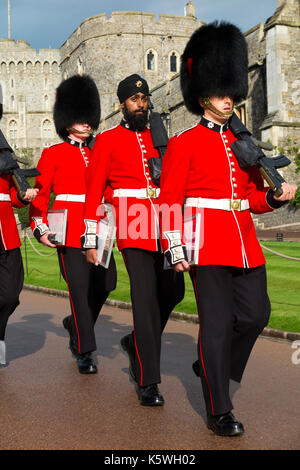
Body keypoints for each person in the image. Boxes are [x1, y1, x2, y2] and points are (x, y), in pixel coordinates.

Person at [158, 22, 297, 436]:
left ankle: (209, 366)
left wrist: (273, 198)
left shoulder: (243, 142)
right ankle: (219, 408)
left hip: (243, 241)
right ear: (202, 97)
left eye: (231, 93)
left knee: (256, 315)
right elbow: (169, 201)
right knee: (215, 326)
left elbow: (251, 197)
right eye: (221, 93)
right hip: (204, 242)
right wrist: (175, 246)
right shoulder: (184, 143)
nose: (229, 99)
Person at [82, 74, 184, 405]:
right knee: (144, 297)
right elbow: (93, 190)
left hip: (165, 219)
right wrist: (91, 238)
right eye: (133, 100)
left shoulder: (160, 136)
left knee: (174, 291)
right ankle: (147, 380)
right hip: (131, 223)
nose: (140, 105)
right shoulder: (108, 140)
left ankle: (136, 342)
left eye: (144, 99)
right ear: (122, 105)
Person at [30, 75, 116, 374]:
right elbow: (41, 194)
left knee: (107, 283)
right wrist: (40, 227)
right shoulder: (53, 153)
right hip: (67, 228)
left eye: (88, 117)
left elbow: (108, 188)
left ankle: (76, 325)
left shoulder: (99, 150)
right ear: (67, 120)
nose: (86, 123)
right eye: (79, 117)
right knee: (79, 289)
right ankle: (85, 350)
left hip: (98, 225)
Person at [0, 85, 38, 365]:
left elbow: (11, 194)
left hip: (7, 235)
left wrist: (24, 196)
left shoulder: (4, 151)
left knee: (12, 294)